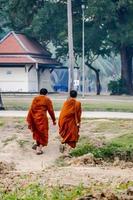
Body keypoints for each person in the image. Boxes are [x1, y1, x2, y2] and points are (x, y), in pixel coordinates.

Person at [27, 88, 56, 155]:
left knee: (37, 132)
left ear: (39, 93)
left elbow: (31, 109)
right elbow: (51, 111)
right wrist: (53, 120)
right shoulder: (47, 99)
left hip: (34, 118)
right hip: (42, 118)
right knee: (43, 134)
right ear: (46, 94)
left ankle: (37, 145)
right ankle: (39, 149)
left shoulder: (35, 99)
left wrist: (30, 119)